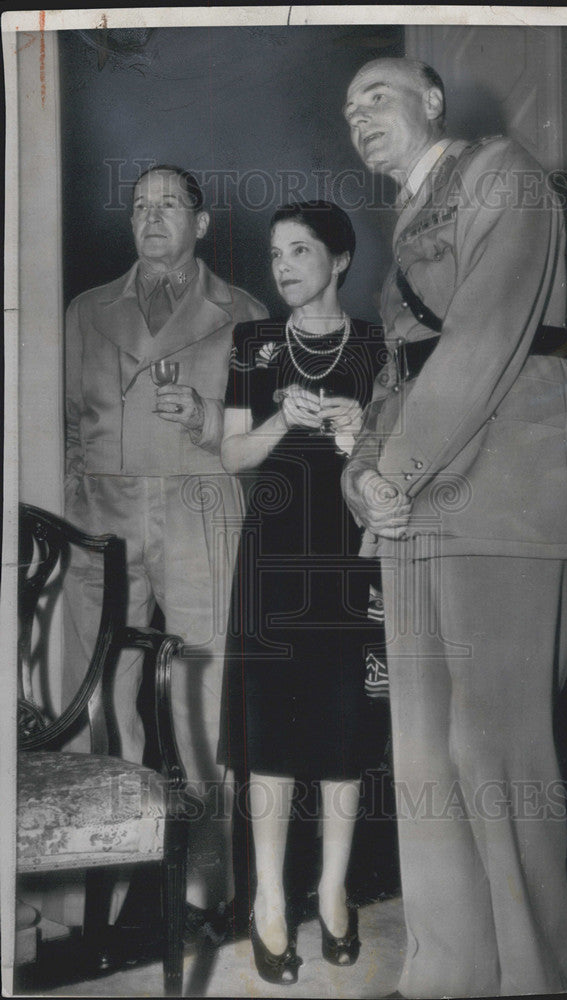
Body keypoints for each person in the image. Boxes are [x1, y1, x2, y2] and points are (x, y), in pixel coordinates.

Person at [340, 58, 567, 998]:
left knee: (496, 752)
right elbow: (396, 378)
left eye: (374, 97)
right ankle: (447, 977)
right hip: (418, 501)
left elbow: (484, 337)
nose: (356, 117)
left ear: (430, 101)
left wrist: (393, 470)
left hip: (508, 489)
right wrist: (360, 480)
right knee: (421, 751)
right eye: (346, 110)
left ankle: (530, 979)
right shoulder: (410, 215)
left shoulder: (502, 173)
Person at [63, 164, 267, 929]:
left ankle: (207, 887)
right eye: (141, 205)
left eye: (170, 204)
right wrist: (74, 510)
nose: (153, 217)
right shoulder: (85, 310)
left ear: (202, 223)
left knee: (201, 698)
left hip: (199, 507)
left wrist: (209, 414)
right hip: (104, 518)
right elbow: (63, 422)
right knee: (99, 692)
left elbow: (263, 436)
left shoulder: (244, 312)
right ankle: (95, 891)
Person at [217, 201, 385, 983]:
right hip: (274, 564)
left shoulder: (381, 348)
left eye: (299, 250)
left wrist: (360, 437)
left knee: (345, 737)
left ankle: (333, 891)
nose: (282, 265)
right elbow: (231, 457)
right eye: (274, 252)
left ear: (340, 259)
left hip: (350, 561)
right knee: (272, 744)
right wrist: (284, 416)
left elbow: (394, 462)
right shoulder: (252, 343)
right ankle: (269, 903)